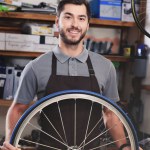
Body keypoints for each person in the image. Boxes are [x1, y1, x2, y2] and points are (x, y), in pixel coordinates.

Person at [0, 0, 142, 150]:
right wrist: (10, 142)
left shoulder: (106, 67)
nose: (75, 24)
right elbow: (17, 109)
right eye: (68, 17)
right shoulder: (36, 67)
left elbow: (111, 113)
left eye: (81, 18)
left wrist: (125, 147)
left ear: (87, 24)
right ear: (57, 21)